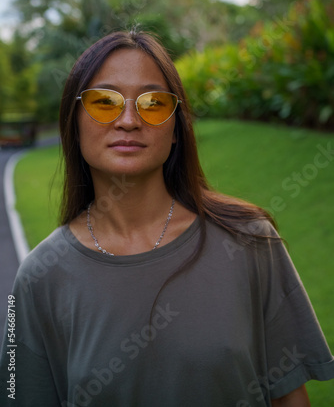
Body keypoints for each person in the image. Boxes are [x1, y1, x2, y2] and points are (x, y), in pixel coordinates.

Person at [0, 30, 333, 407]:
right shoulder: (39, 276)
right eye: (105, 102)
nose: (128, 120)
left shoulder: (250, 242)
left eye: (154, 103)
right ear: (74, 124)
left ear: (176, 128)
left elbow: (290, 398)